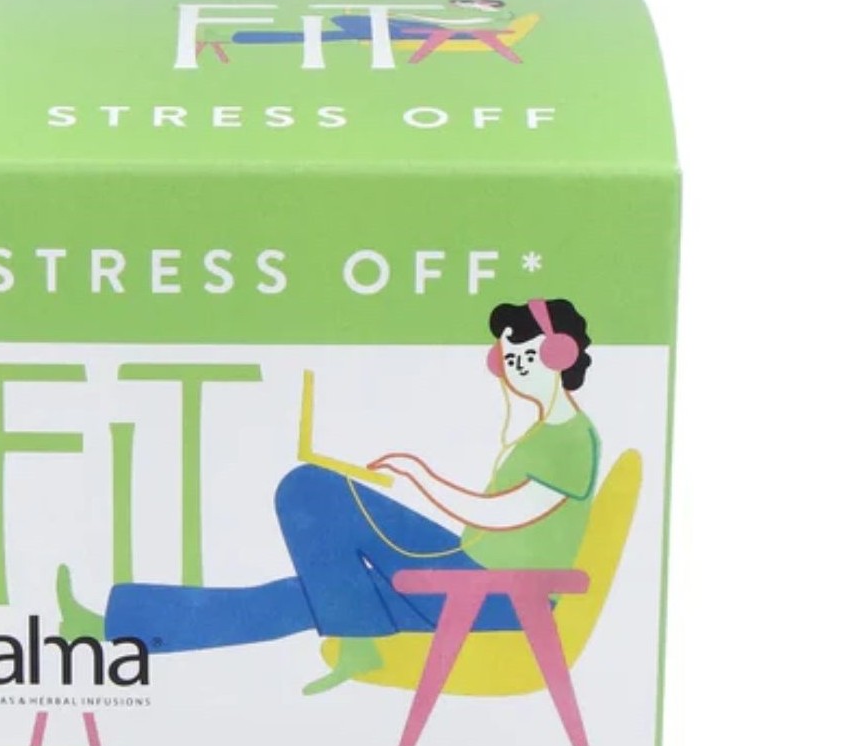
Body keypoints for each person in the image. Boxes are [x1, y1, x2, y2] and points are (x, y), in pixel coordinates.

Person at [57, 298, 600, 695]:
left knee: (309, 488)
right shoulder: (542, 435)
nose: (514, 366)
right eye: (507, 355)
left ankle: (357, 635)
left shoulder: (572, 439)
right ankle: (107, 626)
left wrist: (421, 476)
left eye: (525, 353)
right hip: (471, 577)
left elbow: (507, 514)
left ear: (560, 352)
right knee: (296, 596)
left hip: (498, 591)